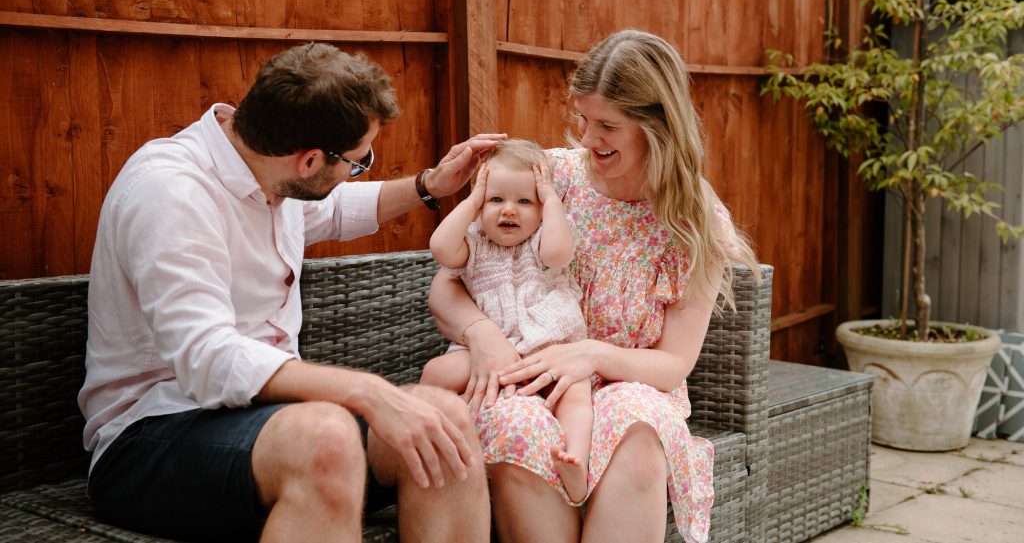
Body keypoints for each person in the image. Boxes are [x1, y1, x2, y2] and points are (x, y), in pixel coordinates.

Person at [78, 42, 504, 543]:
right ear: (307, 162)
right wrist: (368, 391)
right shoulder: (172, 192)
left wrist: (429, 185)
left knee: (446, 419)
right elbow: (207, 359)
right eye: (358, 160)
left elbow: (335, 208)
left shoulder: (266, 171)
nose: (360, 167)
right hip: (150, 435)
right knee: (326, 438)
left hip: (268, 423)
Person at [429, 30, 759, 543]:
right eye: (582, 118)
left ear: (659, 128)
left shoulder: (695, 220)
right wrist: (481, 334)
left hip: (631, 383)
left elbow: (673, 364)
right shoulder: (547, 180)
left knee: (638, 429)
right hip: (528, 373)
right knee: (516, 424)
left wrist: (590, 355)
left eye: (608, 125)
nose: (586, 138)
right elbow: (449, 286)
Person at [420, 139, 592, 503]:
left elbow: (560, 254)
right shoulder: (474, 242)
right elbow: (439, 248)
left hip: (547, 348)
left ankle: (576, 457)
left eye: (524, 201)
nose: (509, 210)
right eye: (496, 200)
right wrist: (471, 202)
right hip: (489, 351)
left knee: (575, 394)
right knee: (437, 372)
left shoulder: (543, 239)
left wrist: (552, 201)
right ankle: (430, 443)